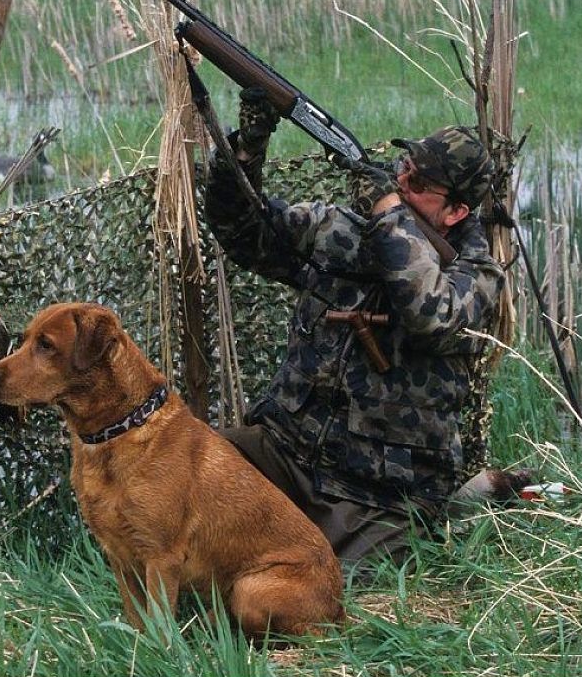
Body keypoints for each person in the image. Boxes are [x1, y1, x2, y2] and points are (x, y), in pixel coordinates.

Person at [208, 87, 504, 568]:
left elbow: (431, 316)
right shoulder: (344, 229)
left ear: (456, 212)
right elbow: (243, 233)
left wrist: (388, 212)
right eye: (403, 167)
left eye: (419, 181)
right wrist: (251, 140)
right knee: (184, 464)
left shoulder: (477, 276)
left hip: (377, 496)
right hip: (285, 454)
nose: (402, 179)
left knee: (326, 584)